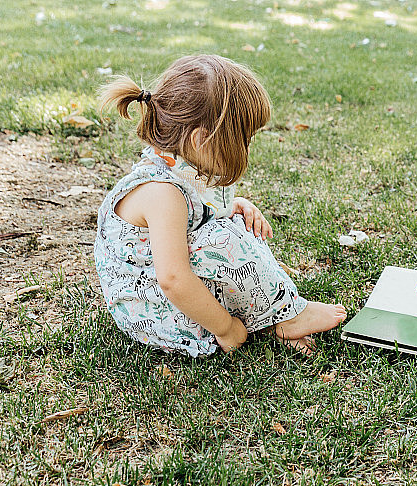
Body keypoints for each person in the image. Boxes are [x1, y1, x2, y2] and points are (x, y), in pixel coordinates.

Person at [94, 54, 346, 356]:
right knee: (224, 240)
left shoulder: (179, 166)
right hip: (155, 312)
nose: (247, 148)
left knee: (233, 225)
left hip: (163, 293)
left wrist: (236, 205)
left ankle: (270, 316)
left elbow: (195, 217)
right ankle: (286, 316)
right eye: (243, 139)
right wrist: (226, 328)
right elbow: (173, 279)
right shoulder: (162, 192)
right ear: (203, 140)